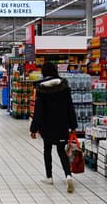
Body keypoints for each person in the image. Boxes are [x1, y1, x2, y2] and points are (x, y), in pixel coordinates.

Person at [30, 62, 78, 193]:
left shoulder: (41, 88)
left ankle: (49, 177)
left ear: (44, 72)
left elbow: (38, 111)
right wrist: (73, 126)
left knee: (47, 149)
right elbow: (70, 107)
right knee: (61, 151)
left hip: (47, 125)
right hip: (62, 124)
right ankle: (68, 176)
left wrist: (33, 129)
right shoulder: (64, 86)